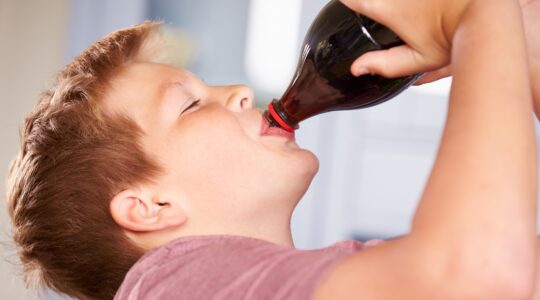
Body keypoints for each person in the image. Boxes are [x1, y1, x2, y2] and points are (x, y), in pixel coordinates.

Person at [5, 1, 538, 300]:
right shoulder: (169, 286)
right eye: (190, 105)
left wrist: (525, 47)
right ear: (151, 206)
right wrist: (481, 19)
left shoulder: (357, 275)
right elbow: (482, 273)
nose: (238, 90)